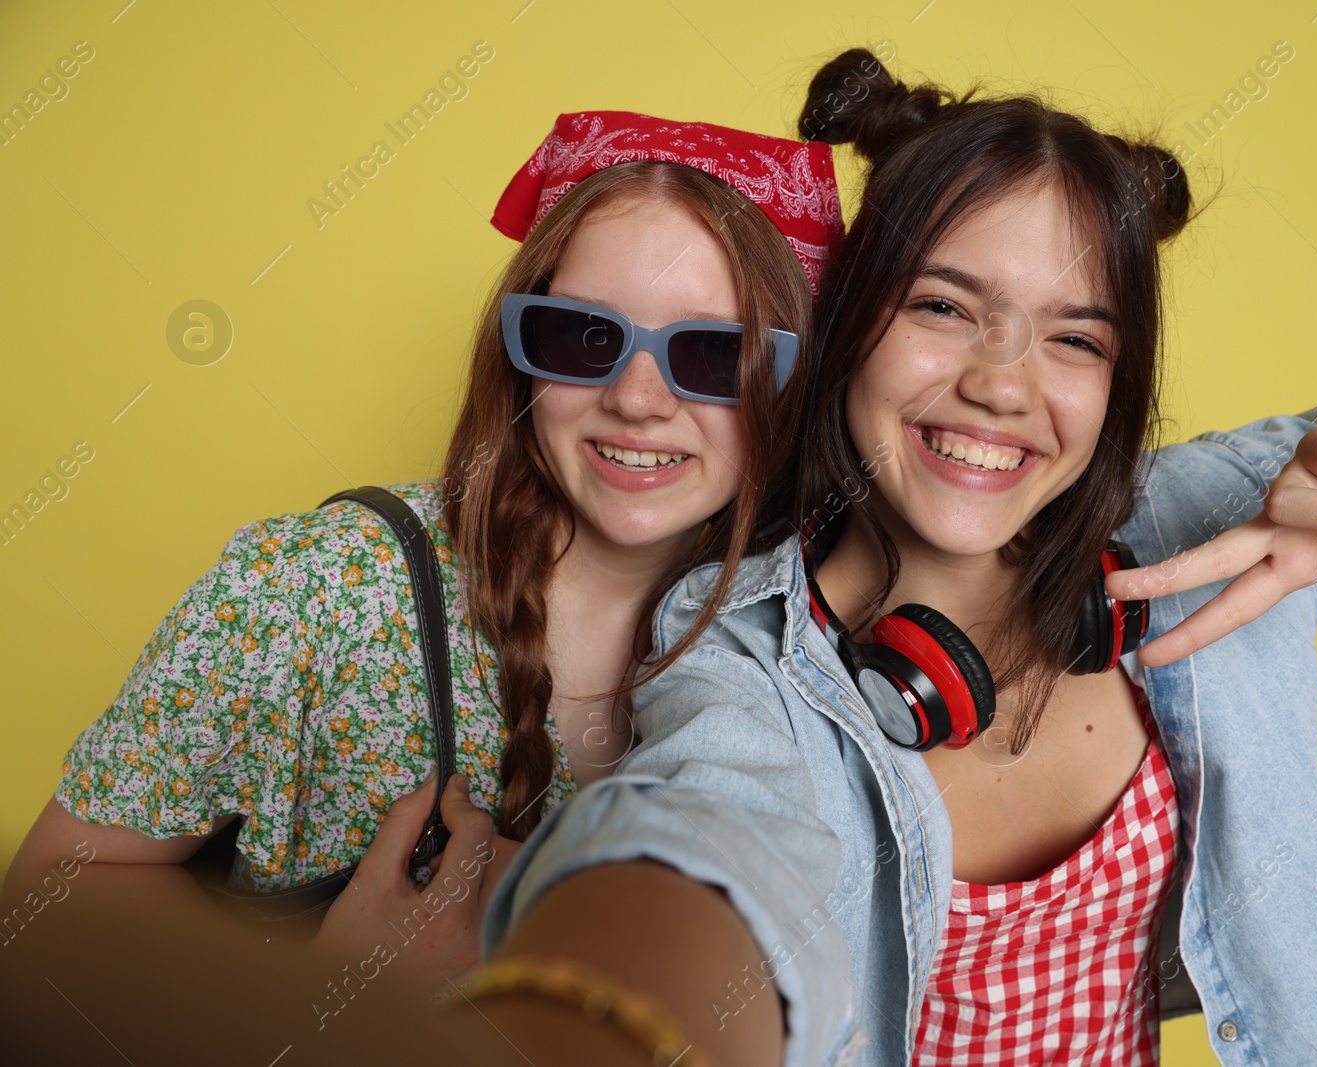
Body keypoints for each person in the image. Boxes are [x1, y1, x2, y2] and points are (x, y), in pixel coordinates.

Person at [473, 52, 1317, 1066]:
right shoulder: (743, 652)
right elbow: (694, 835)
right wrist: (591, 1006)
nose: (1003, 384)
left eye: (1073, 337)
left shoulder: (1202, 528)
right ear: (848, 322)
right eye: (942, 306)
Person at [3, 111, 842, 999]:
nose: (637, 399)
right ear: (521, 356)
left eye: (713, 354)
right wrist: (324, 989)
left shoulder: (800, 658)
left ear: (789, 382)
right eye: (583, 338)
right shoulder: (319, 587)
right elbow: (45, 908)